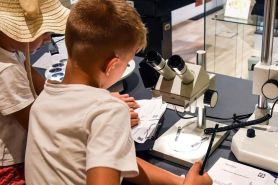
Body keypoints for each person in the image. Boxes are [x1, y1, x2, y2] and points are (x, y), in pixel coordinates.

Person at [25, 0, 213, 185]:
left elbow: (116, 159)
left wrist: (178, 182)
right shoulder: (109, 111)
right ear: (112, 65)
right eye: (126, 62)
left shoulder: (42, 102)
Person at [0, 0, 70, 184]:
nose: (49, 39)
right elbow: (37, 126)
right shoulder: (6, 71)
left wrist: (89, 100)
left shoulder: (12, 49)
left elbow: (43, 85)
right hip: (12, 166)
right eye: (45, 31)